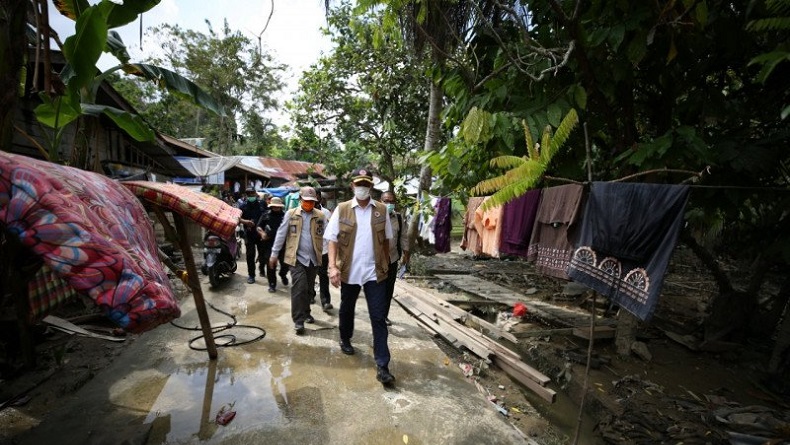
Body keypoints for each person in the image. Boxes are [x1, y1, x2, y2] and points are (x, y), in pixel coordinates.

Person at [324, 168, 395, 385]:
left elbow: (386, 241)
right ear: (353, 187)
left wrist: (386, 267)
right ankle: (345, 337)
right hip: (349, 270)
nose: (362, 188)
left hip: (375, 273)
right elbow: (332, 239)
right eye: (359, 184)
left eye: (366, 184)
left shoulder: (381, 210)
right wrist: (332, 268)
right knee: (347, 308)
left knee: (378, 317)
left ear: (371, 187)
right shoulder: (342, 209)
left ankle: (383, 366)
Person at [269, 186, 327, 335]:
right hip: (296, 258)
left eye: (312, 201)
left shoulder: (320, 216)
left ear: (316, 201)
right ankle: (298, 320)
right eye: (306, 201)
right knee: (299, 288)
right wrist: (274, 254)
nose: (309, 203)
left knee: (308, 289)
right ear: (300, 200)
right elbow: (281, 234)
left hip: (313, 259)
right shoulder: (291, 214)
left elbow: (327, 237)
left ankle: (306, 312)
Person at [381, 191, 410, 326]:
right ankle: (376, 314)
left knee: (388, 289)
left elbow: (404, 237)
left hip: (392, 258)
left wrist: (406, 255)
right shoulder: (374, 216)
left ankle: (384, 315)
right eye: (386, 201)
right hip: (377, 260)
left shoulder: (398, 218)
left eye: (392, 201)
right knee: (376, 288)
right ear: (380, 202)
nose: (389, 204)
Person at [256, 196, 289, 292]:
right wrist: (262, 233)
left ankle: (283, 274)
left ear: (281, 207)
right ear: (271, 206)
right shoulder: (265, 215)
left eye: (278, 206)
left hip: (283, 245)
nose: (276, 208)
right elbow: (258, 226)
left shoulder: (286, 216)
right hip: (269, 244)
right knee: (271, 265)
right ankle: (272, 284)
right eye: (274, 206)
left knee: (285, 265)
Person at [239, 187, 267, 284]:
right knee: (250, 255)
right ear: (246, 195)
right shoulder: (242, 206)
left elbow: (267, 215)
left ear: (255, 193)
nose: (251, 196)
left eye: (252, 193)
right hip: (249, 233)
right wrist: (245, 222)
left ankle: (262, 268)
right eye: (249, 194)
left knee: (263, 254)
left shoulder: (262, 203)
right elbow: (238, 218)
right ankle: (251, 275)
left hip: (261, 233)